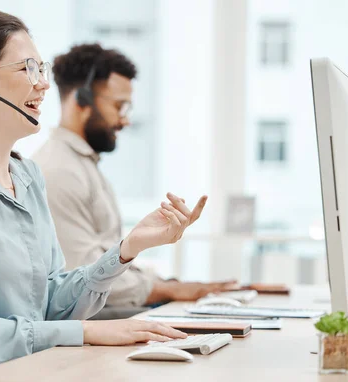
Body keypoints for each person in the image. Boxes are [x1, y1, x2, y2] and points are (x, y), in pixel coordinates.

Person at [0, 11, 205, 380]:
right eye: (27, 69)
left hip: (19, 369)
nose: (43, 84)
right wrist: (88, 333)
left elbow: (51, 305)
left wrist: (127, 249)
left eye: (42, 68)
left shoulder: (27, 176)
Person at [33, 44, 234, 308]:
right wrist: (173, 290)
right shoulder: (58, 172)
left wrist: (178, 285)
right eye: (119, 106)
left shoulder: (83, 166)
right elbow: (84, 276)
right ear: (82, 99)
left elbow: (110, 261)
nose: (125, 120)